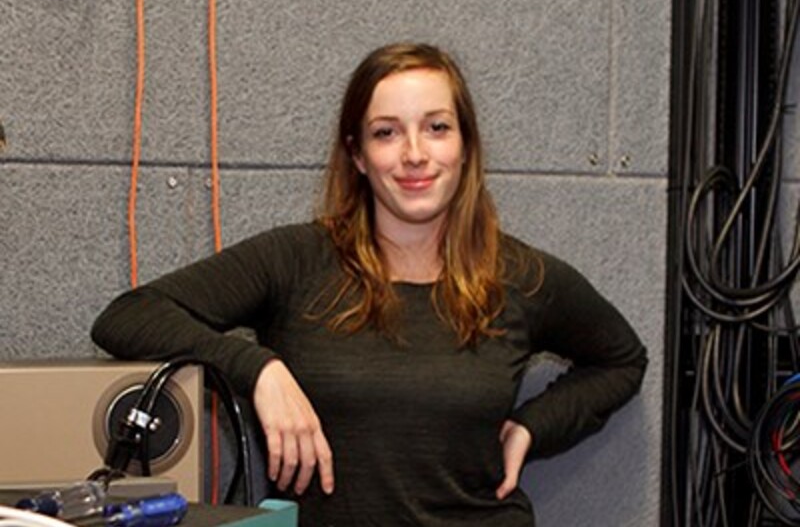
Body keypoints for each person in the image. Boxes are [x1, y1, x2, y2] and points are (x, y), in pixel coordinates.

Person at [92, 42, 647, 526]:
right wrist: (258, 369)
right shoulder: (296, 260)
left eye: (436, 127)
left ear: (465, 145)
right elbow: (129, 315)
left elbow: (621, 358)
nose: (414, 154)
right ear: (357, 154)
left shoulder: (521, 278)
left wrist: (532, 428)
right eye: (387, 132)